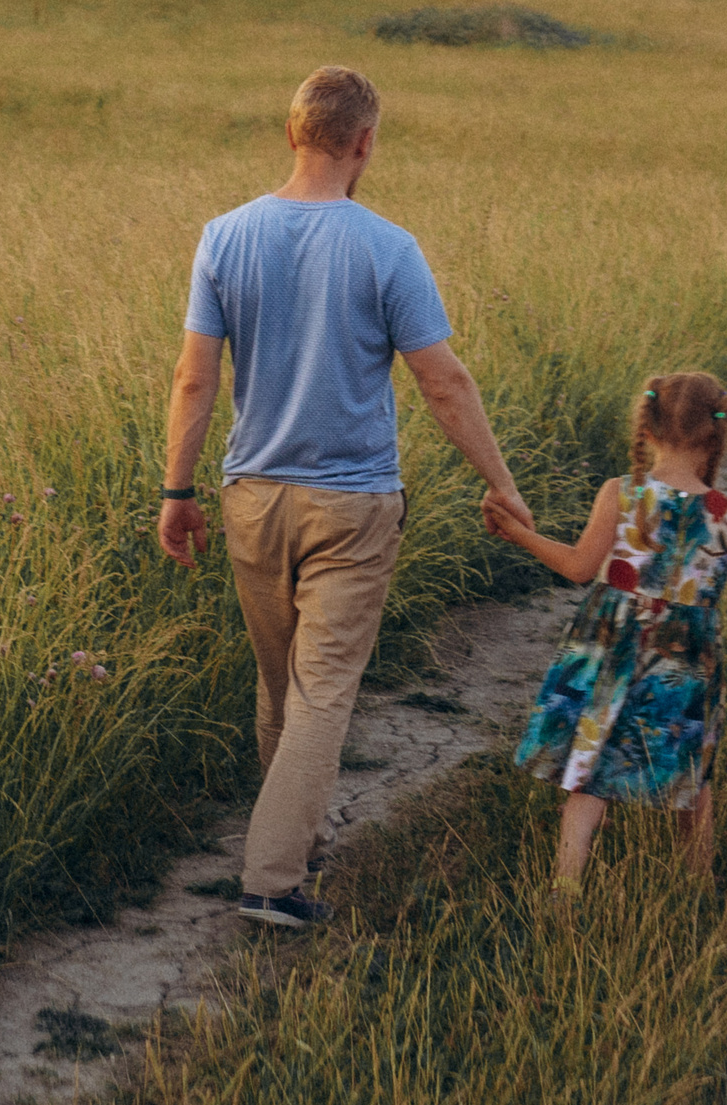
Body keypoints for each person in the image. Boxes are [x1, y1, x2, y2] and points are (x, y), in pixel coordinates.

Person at [158, 65, 529, 928]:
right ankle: (274, 879)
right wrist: (500, 483)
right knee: (323, 690)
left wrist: (178, 489)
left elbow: (193, 378)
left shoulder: (224, 236)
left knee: (281, 683)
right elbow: (443, 383)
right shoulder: (388, 247)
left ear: (290, 133)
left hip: (252, 494)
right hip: (354, 504)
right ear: (364, 142)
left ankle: (286, 840)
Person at [484, 373, 727, 894]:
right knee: (692, 774)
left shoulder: (622, 494)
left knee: (589, 763)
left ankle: (566, 885)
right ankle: (698, 886)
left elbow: (580, 567)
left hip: (611, 645)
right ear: (717, 437)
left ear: (646, 429)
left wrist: (518, 533)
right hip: (684, 661)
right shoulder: (726, 515)